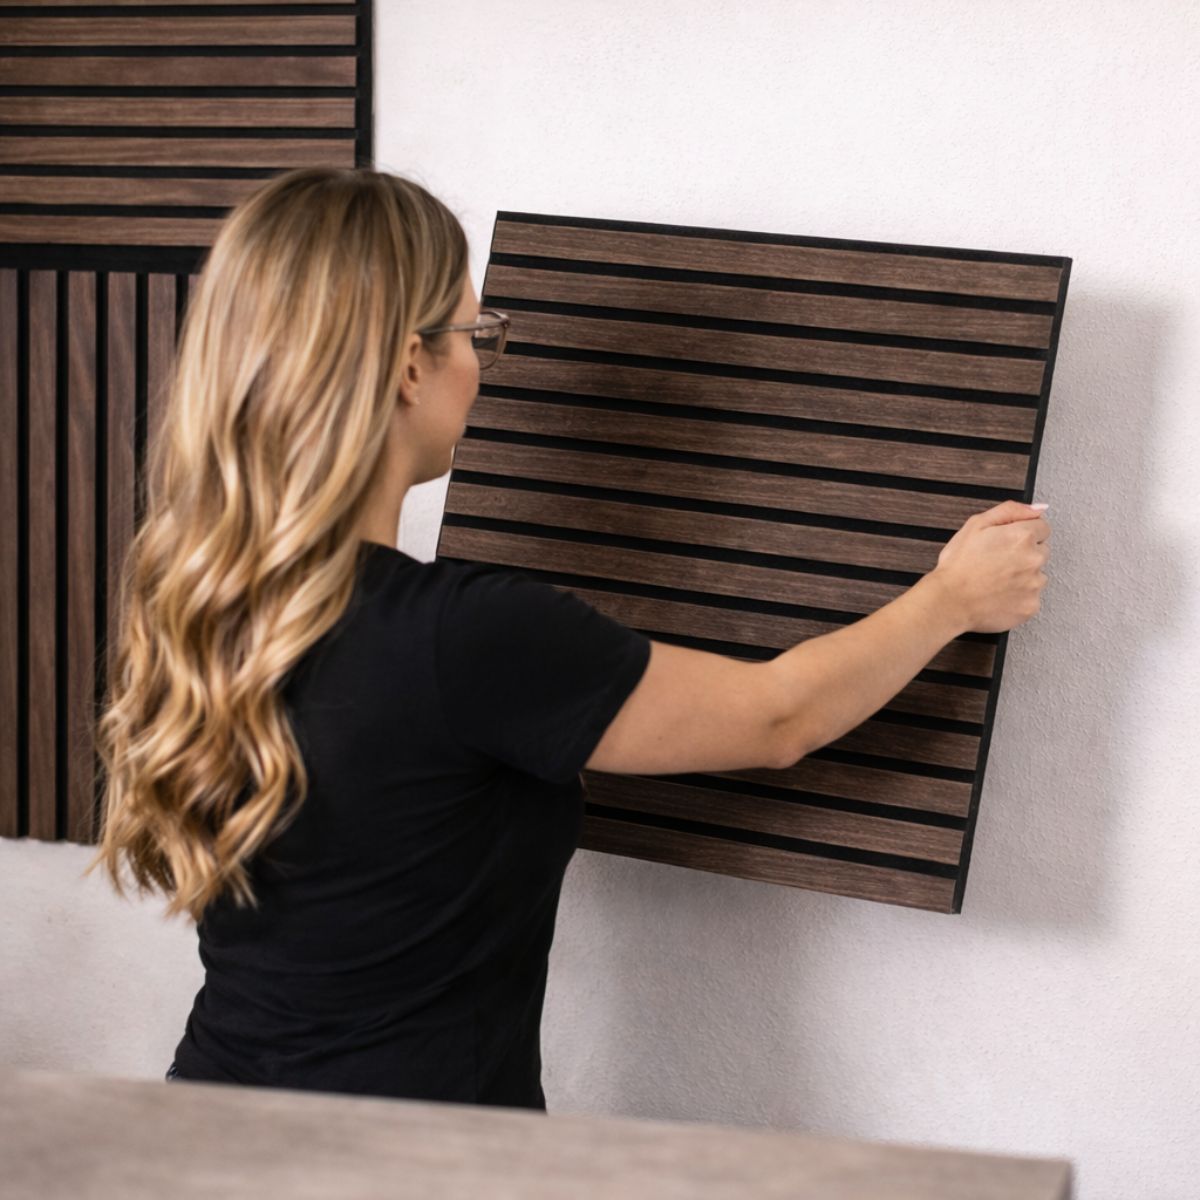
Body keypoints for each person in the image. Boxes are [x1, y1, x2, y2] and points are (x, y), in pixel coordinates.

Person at [87, 167, 1051, 1111]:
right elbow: (777, 718)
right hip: (416, 1164)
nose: (483, 367)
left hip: (209, 1131)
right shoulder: (464, 636)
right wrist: (950, 598)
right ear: (410, 365)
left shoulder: (198, 601)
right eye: (476, 336)